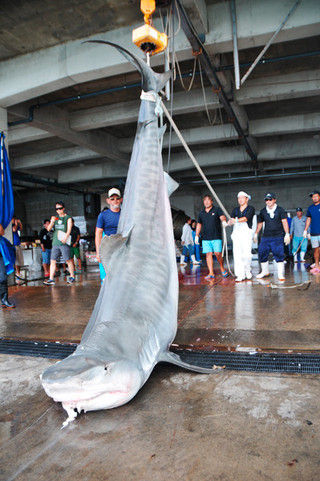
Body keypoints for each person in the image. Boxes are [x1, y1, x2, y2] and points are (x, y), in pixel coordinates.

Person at [254, 192, 290, 281]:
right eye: (266, 200)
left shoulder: (280, 210)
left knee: (278, 254)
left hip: (278, 236)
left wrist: (287, 234)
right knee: (262, 252)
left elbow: (284, 222)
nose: (268, 201)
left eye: (270, 199)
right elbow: (260, 223)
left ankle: (281, 274)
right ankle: (265, 271)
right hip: (266, 236)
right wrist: (256, 233)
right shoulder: (263, 211)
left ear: (274, 200)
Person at [195, 194, 228, 280]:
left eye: (208, 200)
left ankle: (222, 267)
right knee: (208, 254)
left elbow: (222, 217)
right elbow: (199, 224)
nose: (206, 202)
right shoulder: (201, 213)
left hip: (216, 236)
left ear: (211, 201)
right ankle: (211, 273)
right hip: (205, 238)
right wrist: (196, 235)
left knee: (217, 253)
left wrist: (224, 221)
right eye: (204, 200)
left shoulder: (217, 210)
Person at [43, 201, 75, 285]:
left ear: (63, 208)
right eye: (57, 209)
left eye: (60, 208)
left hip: (64, 241)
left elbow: (69, 229)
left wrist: (66, 237)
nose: (58, 210)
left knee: (68, 259)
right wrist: (52, 221)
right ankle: (51, 278)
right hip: (55, 242)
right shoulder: (55, 218)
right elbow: (48, 229)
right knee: (52, 260)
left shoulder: (68, 218)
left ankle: (72, 276)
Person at [95, 188, 122, 282]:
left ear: (121, 199)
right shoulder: (103, 215)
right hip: (107, 250)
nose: (115, 201)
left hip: (122, 249)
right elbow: (98, 234)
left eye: (117, 198)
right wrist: (98, 253)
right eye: (112, 199)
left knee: (120, 276)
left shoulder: (125, 214)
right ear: (108, 201)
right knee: (106, 278)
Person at [228, 191, 255, 282]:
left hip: (246, 234)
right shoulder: (235, 210)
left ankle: (247, 270)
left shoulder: (251, 209)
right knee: (237, 254)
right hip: (237, 234)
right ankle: (240, 274)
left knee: (246, 255)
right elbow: (231, 220)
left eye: (242, 198)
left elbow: (245, 218)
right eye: (239, 198)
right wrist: (228, 223)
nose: (240, 200)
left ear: (247, 199)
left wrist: (235, 220)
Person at [304, 190, 320, 273]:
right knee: (316, 250)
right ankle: (317, 266)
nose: (314, 198)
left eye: (316, 196)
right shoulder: (310, 208)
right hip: (314, 233)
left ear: (319, 197)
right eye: (313, 197)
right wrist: (305, 230)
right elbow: (308, 219)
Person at [0, 223, 15, 308]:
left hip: (1, 258)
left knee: (3, 278)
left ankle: (4, 300)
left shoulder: (2, 240)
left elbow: (2, 232)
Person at [12, 215, 24, 281]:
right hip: (13, 245)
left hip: (17, 244)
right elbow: (14, 229)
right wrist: (16, 223)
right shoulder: (11, 225)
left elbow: (21, 229)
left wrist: (20, 223)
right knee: (15, 260)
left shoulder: (16, 225)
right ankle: (16, 274)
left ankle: (18, 273)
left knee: (18, 261)